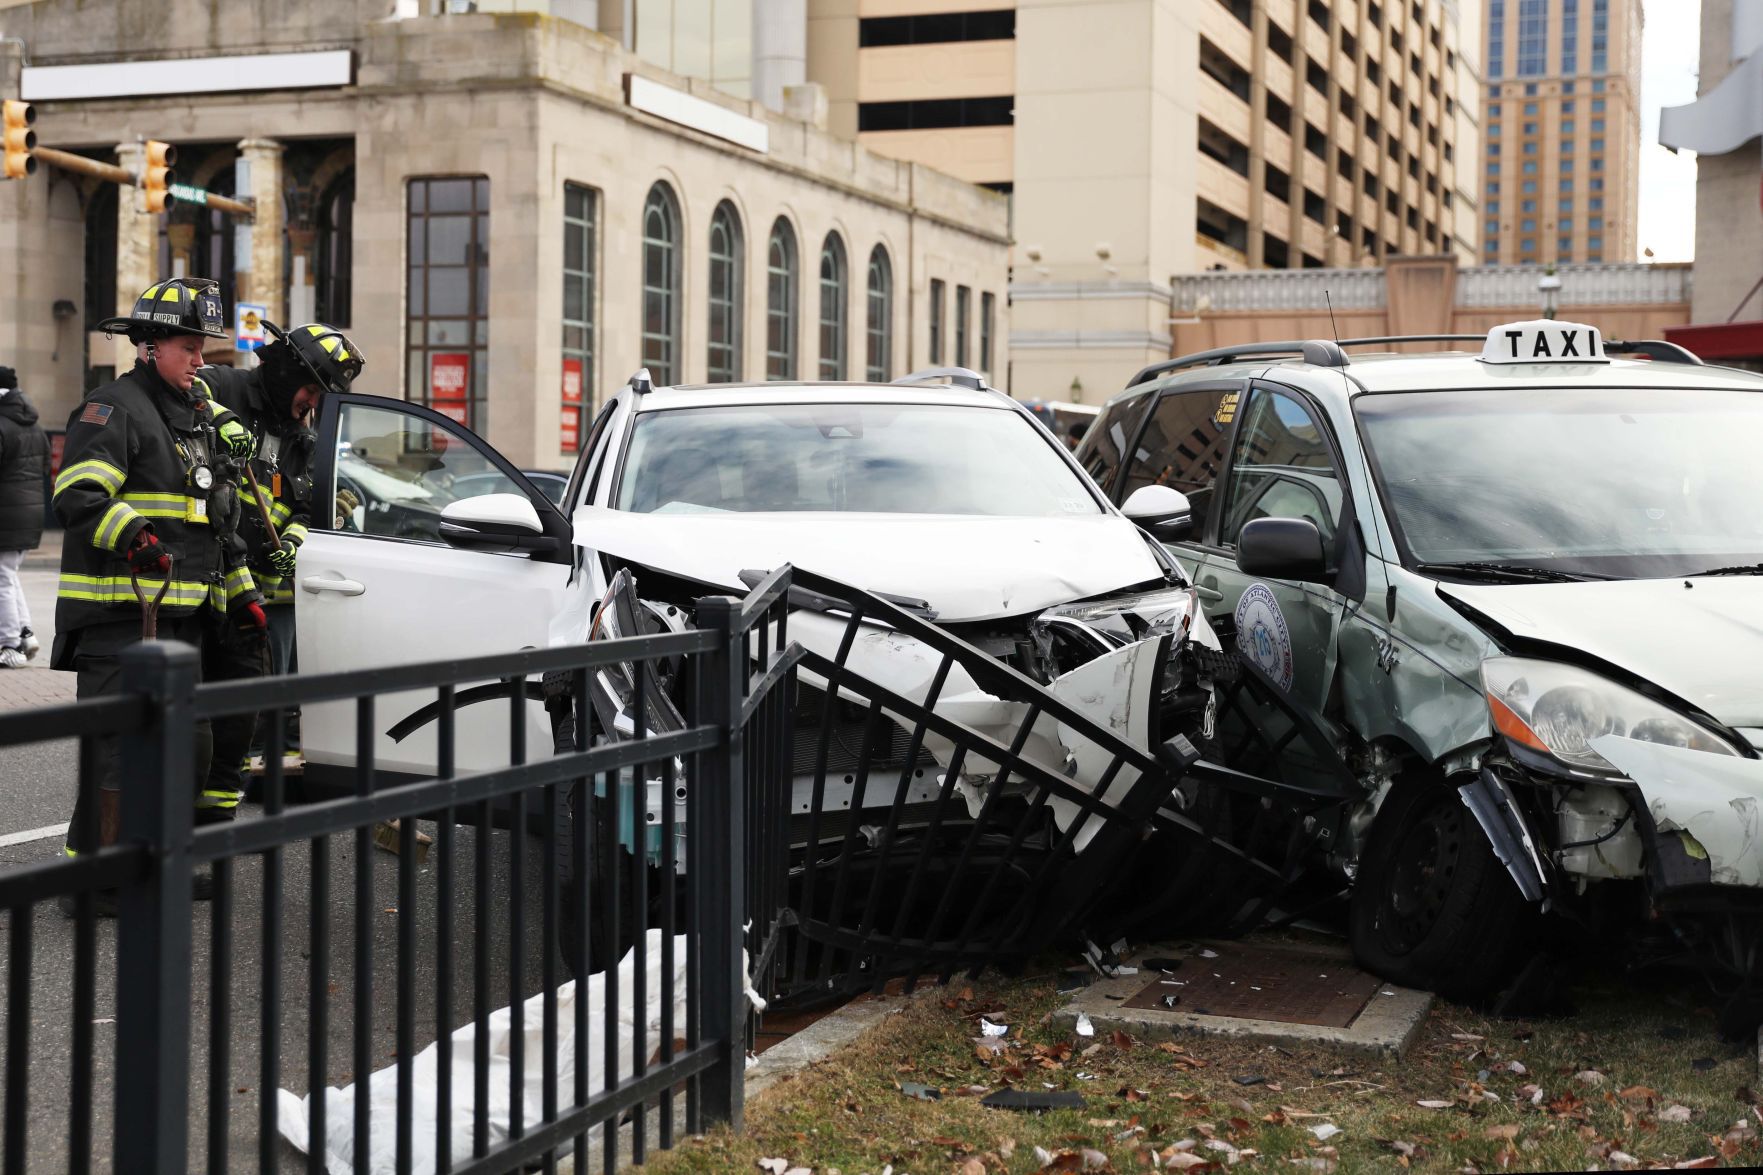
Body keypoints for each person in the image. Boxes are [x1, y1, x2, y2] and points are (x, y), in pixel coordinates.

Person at [53, 277, 266, 909]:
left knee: (180, 750)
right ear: (148, 346)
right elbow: (79, 495)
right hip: (122, 619)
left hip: (181, 622)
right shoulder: (113, 409)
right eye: (189, 346)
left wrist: (241, 592)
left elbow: (209, 527)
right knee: (119, 754)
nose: (202, 360)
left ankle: (149, 867)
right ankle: (94, 883)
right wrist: (135, 536)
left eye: (202, 347)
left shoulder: (190, 421)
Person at [0, 365, 49, 667]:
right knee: (8, 573)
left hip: (7, 512)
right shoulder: (33, 423)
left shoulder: (2, 424)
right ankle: (25, 633)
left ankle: (9, 645)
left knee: (1, 578)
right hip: (29, 511)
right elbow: (44, 468)